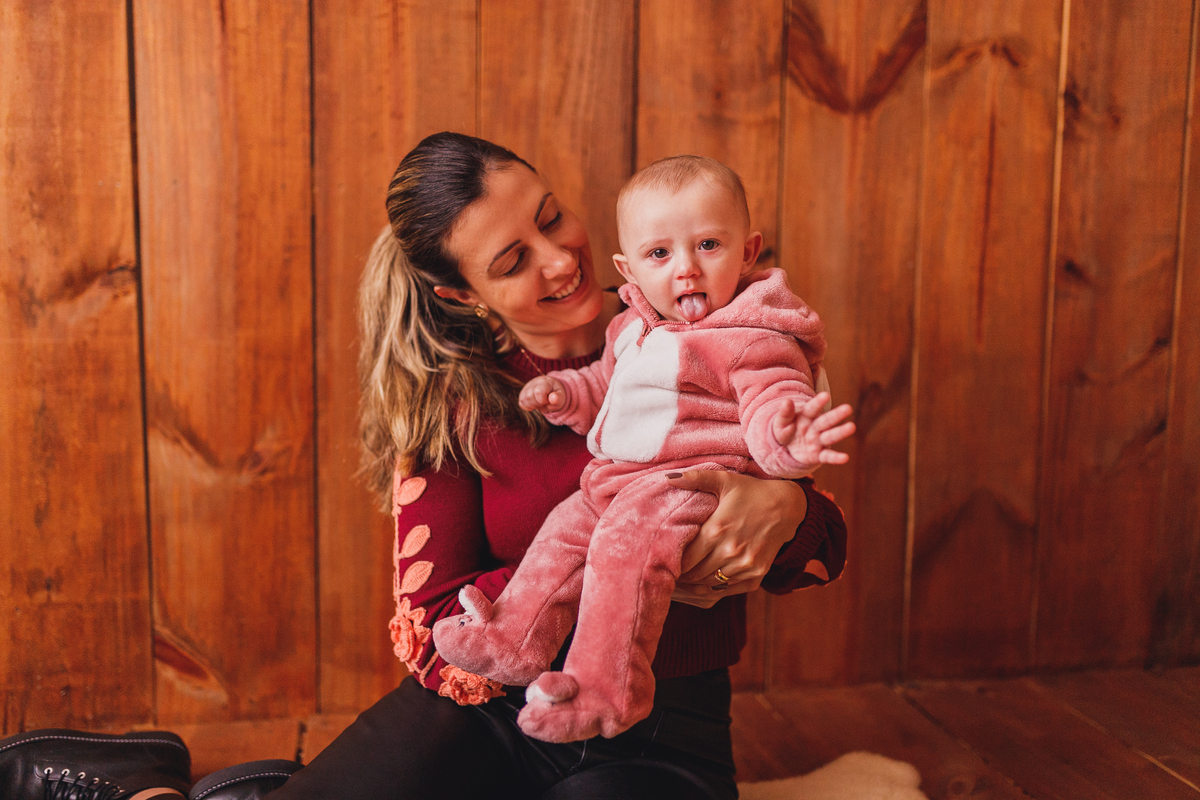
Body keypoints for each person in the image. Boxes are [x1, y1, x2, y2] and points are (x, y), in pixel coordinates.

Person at [0, 132, 848, 800]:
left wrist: (781, 508)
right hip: (480, 718)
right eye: (512, 260)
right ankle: (141, 788)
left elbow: (822, 541)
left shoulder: (700, 320)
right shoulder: (458, 405)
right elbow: (438, 616)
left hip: (664, 728)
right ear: (461, 294)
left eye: (550, 216)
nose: (558, 259)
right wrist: (625, 559)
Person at [432, 155, 855, 745]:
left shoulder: (751, 335)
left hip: (686, 486)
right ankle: (512, 638)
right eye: (660, 254)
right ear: (629, 266)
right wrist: (564, 394)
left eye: (708, 244)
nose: (685, 269)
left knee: (625, 549)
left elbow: (771, 401)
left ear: (748, 251)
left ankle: (606, 689)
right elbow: (608, 389)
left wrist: (786, 455)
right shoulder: (630, 327)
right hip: (617, 485)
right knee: (565, 529)